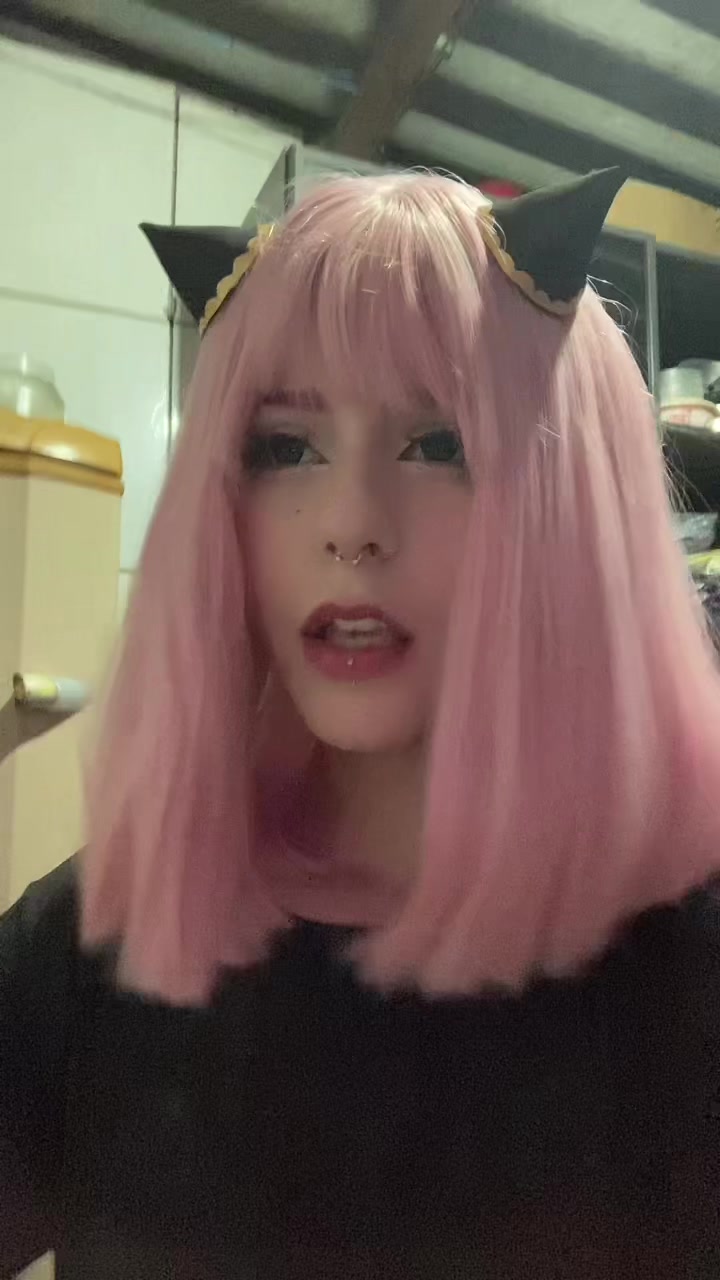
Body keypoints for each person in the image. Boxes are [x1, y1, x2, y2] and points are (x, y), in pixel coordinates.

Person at [2, 168, 720, 1280]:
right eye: (285, 446)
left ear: (575, 497)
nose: (349, 524)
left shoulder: (691, 973)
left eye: (439, 444)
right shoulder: (97, 945)